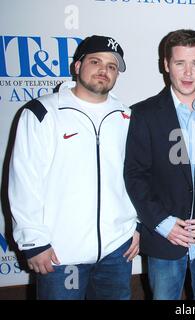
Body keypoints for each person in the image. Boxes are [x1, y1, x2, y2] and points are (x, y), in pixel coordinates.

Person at [8, 35, 140, 299]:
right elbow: (24, 180)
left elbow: (137, 176)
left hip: (117, 251)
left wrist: (137, 225)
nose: (104, 70)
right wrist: (33, 242)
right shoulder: (42, 113)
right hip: (61, 254)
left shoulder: (127, 117)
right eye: (96, 62)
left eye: (112, 66)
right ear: (77, 66)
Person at [124, 29, 195, 300]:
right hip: (165, 238)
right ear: (166, 65)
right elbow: (135, 176)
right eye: (180, 63)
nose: (188, 73)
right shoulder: (143, 114)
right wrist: (161, 223)